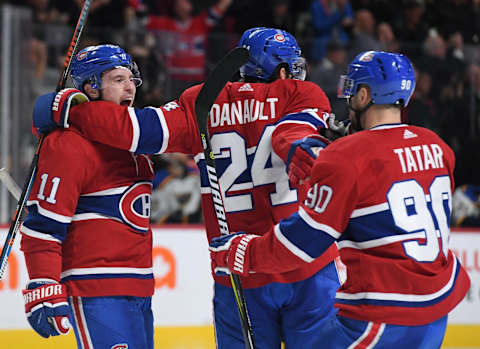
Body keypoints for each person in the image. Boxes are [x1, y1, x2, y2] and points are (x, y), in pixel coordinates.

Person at [33, 28, 340, 348]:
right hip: (306, 264)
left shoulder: (201, 101)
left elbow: (134, 129)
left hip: (236, 270)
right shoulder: (300, 93)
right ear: (282, 69)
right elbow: (294, 136)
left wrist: (69, 107)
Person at [209, 51, 471, 348]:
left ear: (363, 95)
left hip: (382, 314)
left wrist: (242, 250)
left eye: (351, 91)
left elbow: (300, 243)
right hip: (437, 307)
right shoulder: (437, 146)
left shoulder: (346, 157)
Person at [21, 45, 156, 348]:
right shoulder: (69, 143)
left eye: (132, 80)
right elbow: (43, 226)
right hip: (95, 289)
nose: (130, 87)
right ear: (91, 87)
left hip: (139, 286)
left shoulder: (134, 139)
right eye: (118, 79)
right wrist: (43, 280)